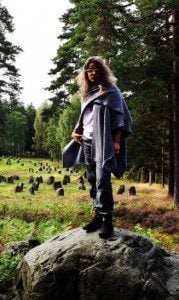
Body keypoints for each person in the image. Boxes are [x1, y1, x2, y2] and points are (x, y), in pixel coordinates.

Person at [62, 56, 132, 239]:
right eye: (89, 70)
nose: (92, 73)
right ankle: (97, 216)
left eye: (96, 69)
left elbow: (120, 119)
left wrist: (117, 141)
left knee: (103, 180)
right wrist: (75, 131)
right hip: (86, 141)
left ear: (102, 71)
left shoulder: (112, 91)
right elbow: (84, 118)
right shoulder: (87, 92)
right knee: (92, 180)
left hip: (104, 142)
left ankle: (107, 221)